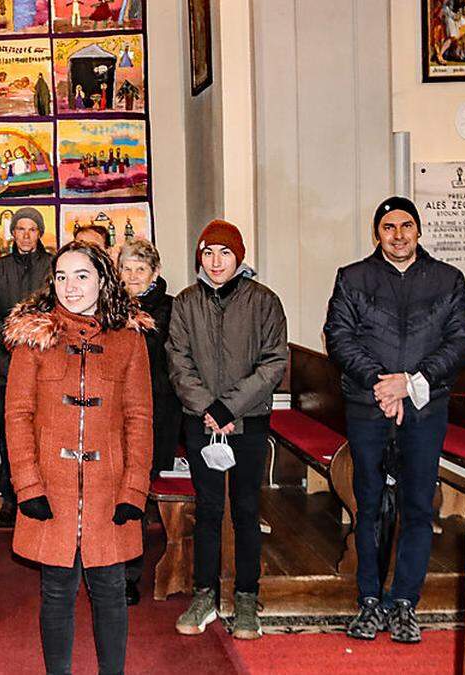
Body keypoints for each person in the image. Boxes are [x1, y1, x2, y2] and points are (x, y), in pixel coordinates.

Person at [324, 197, 465, 644]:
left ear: (418, 230)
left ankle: (406, 601)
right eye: (389, 226)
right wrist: (381, 382)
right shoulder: (352, 277)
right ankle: (370, 600)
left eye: (406, 225)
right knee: (368, 506)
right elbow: (339, 336)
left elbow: (463, 339)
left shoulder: (448, 279)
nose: (398, 234)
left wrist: (411, 383)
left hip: (425, 407)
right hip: (369, 406)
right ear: (378, 233)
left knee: (416, 507)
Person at [3, 240, 152, 675]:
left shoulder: (129, 338)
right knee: (56, 588)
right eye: (62, 276)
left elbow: (140, 418)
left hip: (110, 484)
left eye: (82, 276)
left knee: (109, 587)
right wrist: (27, 485)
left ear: (103, 280)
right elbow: (17, 415)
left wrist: (134, 489)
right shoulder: (36, 336)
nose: (71, 287)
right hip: (52, 483)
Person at [167, 219, 288, 640]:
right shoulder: (185, 303)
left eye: (224, 253)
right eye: (208, 253)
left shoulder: (264, 301)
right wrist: (208, 408)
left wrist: (230, 406)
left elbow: (274, 361)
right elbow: (178, 362)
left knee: (247, 510)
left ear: (239, 257)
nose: (216, 262)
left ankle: (247, 597)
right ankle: (204, 595)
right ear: (199, 257)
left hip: (248, 419)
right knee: (209, 509)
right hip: (202, 422)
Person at [0, 207, 53, 528]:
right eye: (19, 229)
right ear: (12, 233)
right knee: (11, 438)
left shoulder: (52, 267)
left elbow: (58, 307)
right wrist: (10, 337)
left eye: (31, 229)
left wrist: (38, 337)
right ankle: (11, 500)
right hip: (7, 365)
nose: (25, 235)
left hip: (46, 364)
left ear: (39, 233)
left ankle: (46, 498)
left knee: (45, 435)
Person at [117, 237, 181, 606]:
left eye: (140, 268)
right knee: (123, 490)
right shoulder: (108, 306)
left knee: (139, 490)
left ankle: (131, 573)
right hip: (115, 411)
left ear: (154, 272)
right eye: (126, 268)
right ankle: (122, 570)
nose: (133, 276)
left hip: (157, 410)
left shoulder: (170, 309)